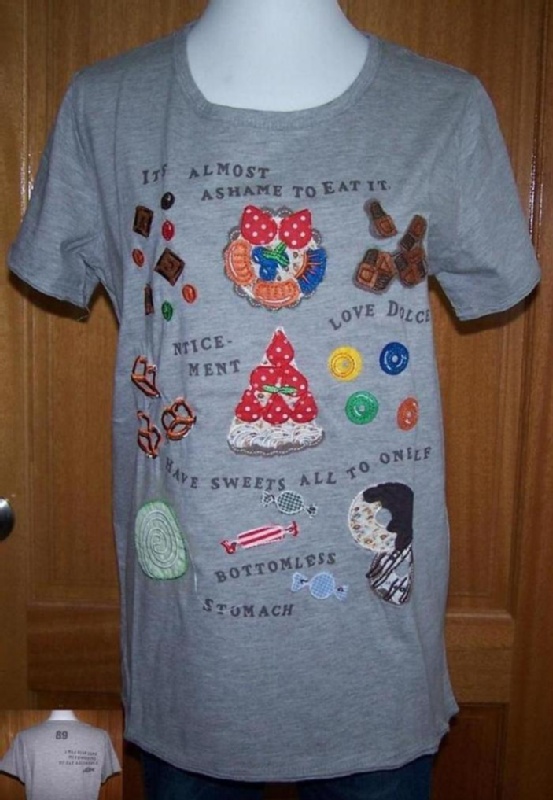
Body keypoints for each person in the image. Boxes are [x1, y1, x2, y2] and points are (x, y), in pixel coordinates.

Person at [8, 0, 540, 798]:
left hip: (374, 661)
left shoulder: (443, 109)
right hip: (192, 663)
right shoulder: (107, 105)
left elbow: (495, 275)